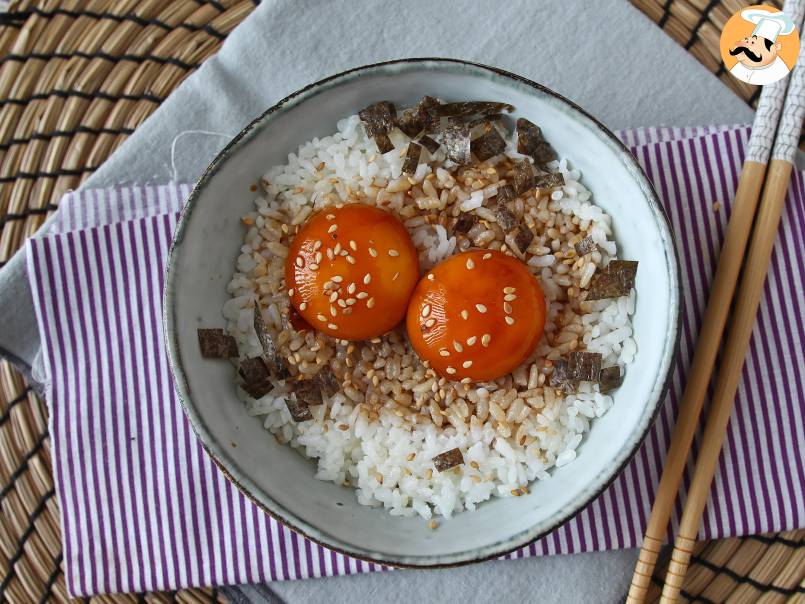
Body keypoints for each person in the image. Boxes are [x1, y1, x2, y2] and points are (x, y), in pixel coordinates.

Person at [729, 10, 796, 85]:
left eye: (752, 43)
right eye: (747, 40)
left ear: (774, 47)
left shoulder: (779, 70)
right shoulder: (739, 66)